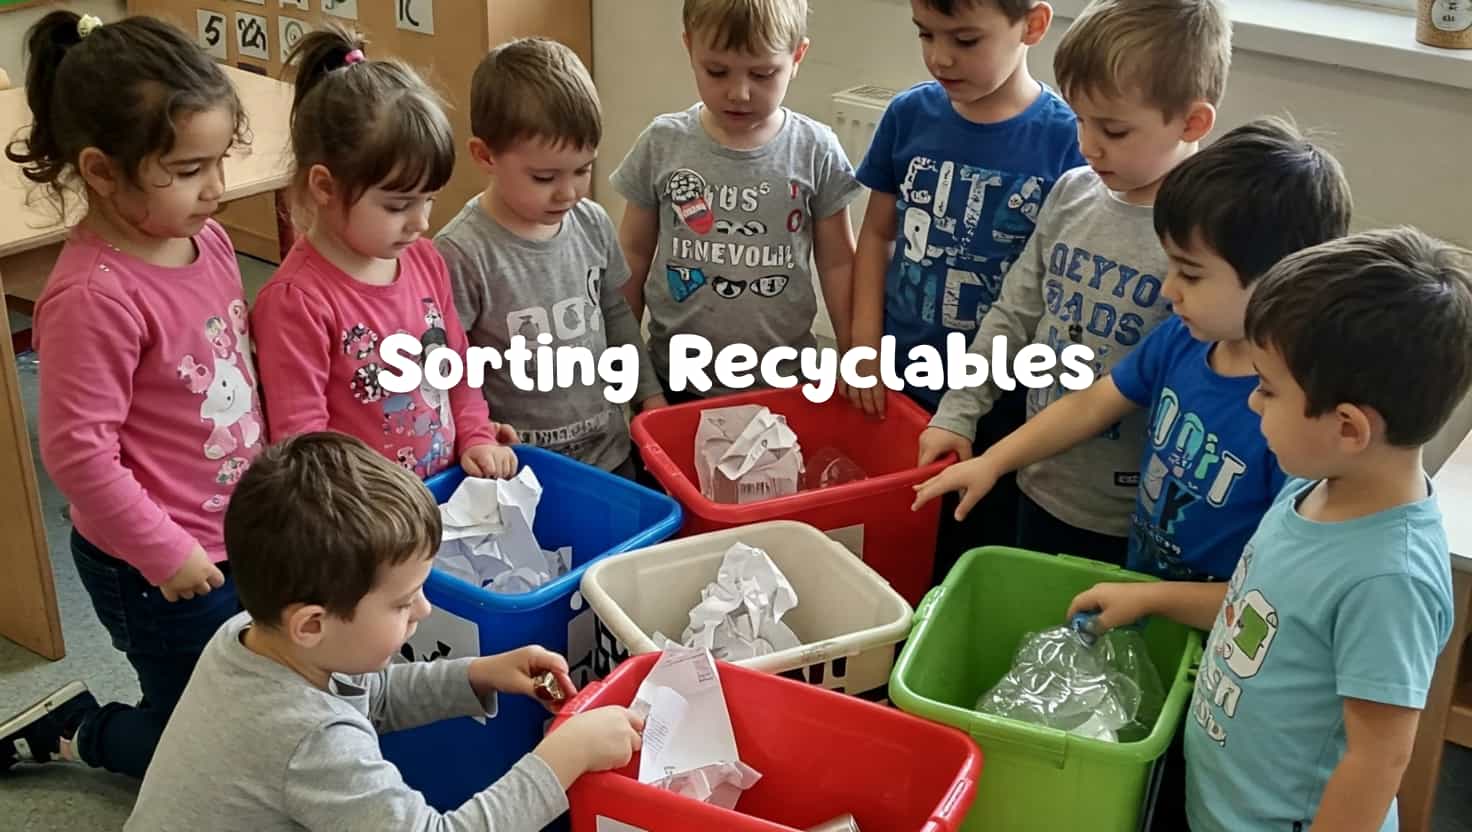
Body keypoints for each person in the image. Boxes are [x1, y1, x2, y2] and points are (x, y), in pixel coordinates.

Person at [912, 116, 1353, 830]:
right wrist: (994, 459)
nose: (1168, 289)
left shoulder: (1293, 423)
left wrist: (1156, 599)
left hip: (1223, 654)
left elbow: (1267, 599)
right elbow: (1093, 403)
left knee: (1182, 785)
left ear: (1276, 281)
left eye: (1189, 273)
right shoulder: (1184, 339)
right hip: (1147, 593)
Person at [1068, 227, 1472, 831]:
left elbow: (1379, 757)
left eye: (1267, 388)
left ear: (1348, 428)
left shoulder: (1389, 578)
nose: (1253, 403)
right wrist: (1151, 596)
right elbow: (1261, 609)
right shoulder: (1309, 488)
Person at [125, 431, 646, 830]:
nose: (421, 610)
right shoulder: (311, 741)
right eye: (401, 603)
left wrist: (479, 674)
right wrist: (564, 758)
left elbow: (367, 698)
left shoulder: (251, 632)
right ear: (311, 624)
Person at [0, 11, 261, 779]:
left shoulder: (205, 239)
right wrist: (164, 551)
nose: (215, 190)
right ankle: (81, 730)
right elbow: (79, 454)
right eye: (185, 171)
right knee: (201, 746)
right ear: (102, 172)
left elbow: (228, 375)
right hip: (154, 566)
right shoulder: (93, 297)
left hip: (234, 531)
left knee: (252, 696)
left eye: (219, 162)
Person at [917, 0, 1231, 568]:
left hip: (1136, 515)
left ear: (1191, 122)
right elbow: (1013, 314)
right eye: (1081, 119)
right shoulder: (1071, 192)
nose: (1088, 144)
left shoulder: (1208, 237)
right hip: (1036, 476)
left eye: (1113, 129)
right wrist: (957, 412)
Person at [846, 0, 1088, 571]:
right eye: (925, 34)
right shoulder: (908, 115)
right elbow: (876, 234)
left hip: (1002, 397)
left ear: (1032, 26)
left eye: (966, 39)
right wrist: (861, 344)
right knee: (896, 535)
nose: (939, 57)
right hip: (904, 374)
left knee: (971, 541)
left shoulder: (1066, 139)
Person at [251, 22, 517, 481]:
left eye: (428, 199)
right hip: (367, 523)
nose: (421, 222)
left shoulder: (425, 259)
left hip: (443, 492)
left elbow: (457, 365)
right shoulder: (297, 302)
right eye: (398, 205)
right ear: (324, 187)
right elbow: (304, 448)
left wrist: (474, 433)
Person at [610, 0, 863, 403]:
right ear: (689, 48)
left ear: (797, 56)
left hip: (784, 382)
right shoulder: (662, 142)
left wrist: (856, 356)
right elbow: (632, 256)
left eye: (763, 74)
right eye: (717, 71)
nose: (739, 92)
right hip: (675, 380)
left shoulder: (816, 149)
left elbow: (838, 263)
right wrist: (627, 368)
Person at [435, 37, 664, 480]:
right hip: (521, 465)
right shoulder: (462, 251)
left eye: (583, 169)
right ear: (485, 156)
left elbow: (616, 314)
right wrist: (476, 435)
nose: (569, 192)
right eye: (544, 177)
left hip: (609, 453)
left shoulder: (592, 222)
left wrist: (647, 394)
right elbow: (451, 366)